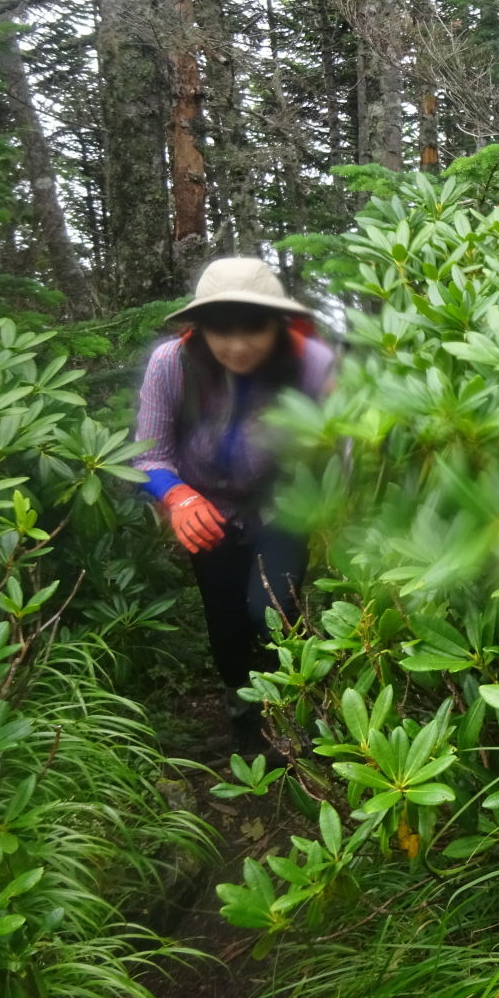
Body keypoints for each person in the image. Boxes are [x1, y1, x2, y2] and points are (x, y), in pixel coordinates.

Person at [133, 257, 336, 750]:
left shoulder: (313, 364)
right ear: (200, 327)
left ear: (278, 323)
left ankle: (291, 719)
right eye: (221, 330)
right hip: (205, 508)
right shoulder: (172, 363)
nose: (237, 345)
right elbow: (149, 454)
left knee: (271, 611)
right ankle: (245, 727)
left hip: (286, 504)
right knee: (224, 621)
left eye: (253, 328)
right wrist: (176, 496)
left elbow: (343, 450)